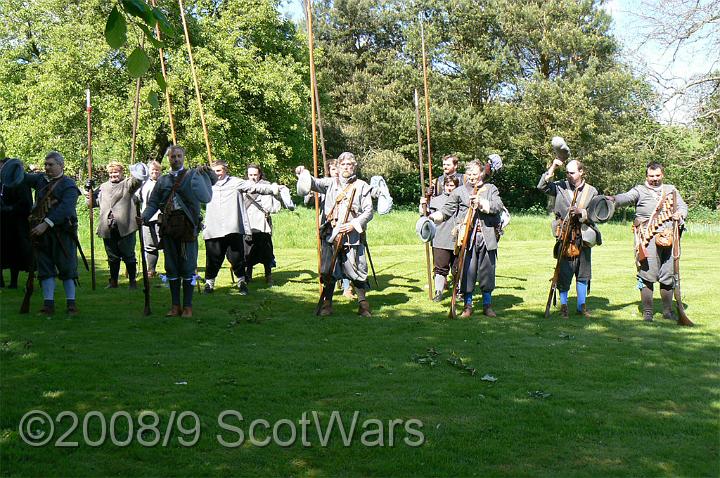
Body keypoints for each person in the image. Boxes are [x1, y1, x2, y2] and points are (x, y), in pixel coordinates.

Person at [141, 146, 217, 317]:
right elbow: (153, 203)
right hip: (168, 227)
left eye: (179, 156)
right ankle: (175, 306)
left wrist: (207, 171)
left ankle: (188, 307)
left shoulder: (193, 175)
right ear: (168, 159)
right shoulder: (163, 181)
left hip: (188, 227)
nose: (176, 159)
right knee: (171, 267)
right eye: (172, 156)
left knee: (188, 267)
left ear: (183, 157)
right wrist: (144, 217)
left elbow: (212, 182)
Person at [296, 152, 374, 316]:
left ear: (354, 167)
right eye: (344, 165)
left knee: (358, 270)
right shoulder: (329, 183)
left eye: (350, 165)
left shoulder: (362, 186)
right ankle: (327, 304)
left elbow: (368, 211)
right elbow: (312, 183)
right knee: (328, 270)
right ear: (338, 167)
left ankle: (363, 305)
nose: (347, 167)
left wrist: (353, 224)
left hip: (352, 235)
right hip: (331, 233)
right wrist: (303, 173)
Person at [609, 162, 687, 322]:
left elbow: (682, 206)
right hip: (647, 237)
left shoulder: (671, 190)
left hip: (669, 237)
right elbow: (626, 197)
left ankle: (667, 311)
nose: (655, 179)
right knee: (647, 275)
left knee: (668, 274)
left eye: (658, 176)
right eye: (651, 176)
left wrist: (680, 213)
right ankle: (648, 313)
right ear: (647, 176)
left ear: (662, 175)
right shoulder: (639, 190)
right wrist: (613, 199)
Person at [429, 158, 504, 318]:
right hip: (466, 238)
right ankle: (468, 306)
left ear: (481, 174)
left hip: (486, 236)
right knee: (467, 272)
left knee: (487, 272)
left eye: (474, 174)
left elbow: (497, 206)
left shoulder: (491, 189)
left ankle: (487, 305)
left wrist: (482, 203)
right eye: (469, 173)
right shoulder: (459, 191)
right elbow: (446, 210)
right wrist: (431, 218)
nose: (471, 177)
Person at [202, 160, 281, 295]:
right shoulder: (206, 184)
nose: (217, 174)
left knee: (237, 258)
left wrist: (272, 189)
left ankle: (242, 282)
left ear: (225, 170)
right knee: (213, 258)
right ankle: (209, 284)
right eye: (214, 171)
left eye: (219, 171)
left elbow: (256, 187)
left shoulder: (235, 182)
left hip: (232, 227)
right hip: (213, 228)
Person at [538, 157, 599, 318]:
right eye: (567, 172)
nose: (569, 175)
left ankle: (581, 306)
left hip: (583, 235)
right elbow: (542, 186)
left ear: (581, 172)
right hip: (564, 235)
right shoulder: (559, 186)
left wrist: (582, 213)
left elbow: (596, 214)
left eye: (572, 172)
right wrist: (552, 167)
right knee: (564, 273)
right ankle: (564, 306)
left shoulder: (591, 191)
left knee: (583, 273)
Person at [23, 151, 81, 315]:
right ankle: (48, 304)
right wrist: (10, 165)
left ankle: (71, 303)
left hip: (63, 233)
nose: (47, 167)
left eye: (51, 165)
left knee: (67, 268)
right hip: (42, 234)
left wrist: (46, 224)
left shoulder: (68, 184)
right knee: (45, 268)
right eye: (46, 164)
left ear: (61, 165)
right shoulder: (40, 180)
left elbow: (66, 208)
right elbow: (20, 176)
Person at [88, 162, 143, 289]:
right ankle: (113, 281)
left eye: (116, 172)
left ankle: (132, 281)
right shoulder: (103, 187)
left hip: (126, 227)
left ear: (121, 172)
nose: (113, 175)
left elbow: (137, 181)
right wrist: (89, 191)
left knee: (128, 255)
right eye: (111, 173)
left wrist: (137, 171)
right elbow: (91, 204)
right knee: (112, 257)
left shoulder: (128, 184)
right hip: (108, 227)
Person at [420, 176, 460, 301]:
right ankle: (439, 291)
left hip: (458, 239)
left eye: (452, 186)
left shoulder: (462, 199)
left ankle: (459, 291)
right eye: (447, 185)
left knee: (458, 268)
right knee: (440, 268)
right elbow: (426, 216)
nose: (449, 188)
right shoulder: (436, 201)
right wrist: (423, 205)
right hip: (440, 238)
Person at [243, 163, 283, 286]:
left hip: (262, 224)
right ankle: (247, 275)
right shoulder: (242, 187)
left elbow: (274, 207)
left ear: (260, 174)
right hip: (248, 224)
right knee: (248, 252)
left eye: (255, 174)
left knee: (266, 252)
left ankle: (268, 275)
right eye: (250, 174)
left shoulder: (267, 186)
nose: (253, 177)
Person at [0, 158, 33, 288]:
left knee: (16, 251)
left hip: (16, 224)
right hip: (2, 223)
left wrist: (10, 209)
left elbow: (26, 204)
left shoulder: (19, 183)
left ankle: (14, 282)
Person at [136, 161, 163, 277]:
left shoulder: (164, 182)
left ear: (160, 171)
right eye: (152, 170)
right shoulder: (144, 184)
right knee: (149, 245)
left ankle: (172, 268)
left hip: (161, 218)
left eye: (157, 170)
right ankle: (151, 270)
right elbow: (137, 197)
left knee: (165, 244)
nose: (154, 172)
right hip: (146, 218)